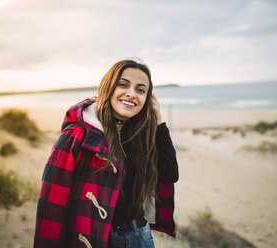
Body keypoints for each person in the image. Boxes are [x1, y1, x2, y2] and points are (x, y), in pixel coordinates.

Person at [34, 59, 179, 248]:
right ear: (108, 87)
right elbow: (52, 206)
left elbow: (169, 174)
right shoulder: (78, 136)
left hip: (141, 235)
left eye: (141, 90)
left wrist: (158, 123)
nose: (131, 94)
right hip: (99, 239)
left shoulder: (138, 135)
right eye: (123, 84)